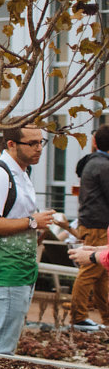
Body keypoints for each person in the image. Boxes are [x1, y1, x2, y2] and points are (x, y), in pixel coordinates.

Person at [0, 126, 58, 357]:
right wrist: (32, 222)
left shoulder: (22, 172)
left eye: (41, 142)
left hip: (20, 271)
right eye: (32, 143)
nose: (39, 148)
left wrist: (36, 226)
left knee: (5, 344)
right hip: (4, 272)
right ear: (11, 144)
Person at [69, 127, 109, 328]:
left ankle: (106, 317)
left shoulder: (92, 162)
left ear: (94, 142)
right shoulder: (104, 166)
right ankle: (78, 317)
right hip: (98, 225)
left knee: (102, 274)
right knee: (91, 271)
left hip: (92, 222)